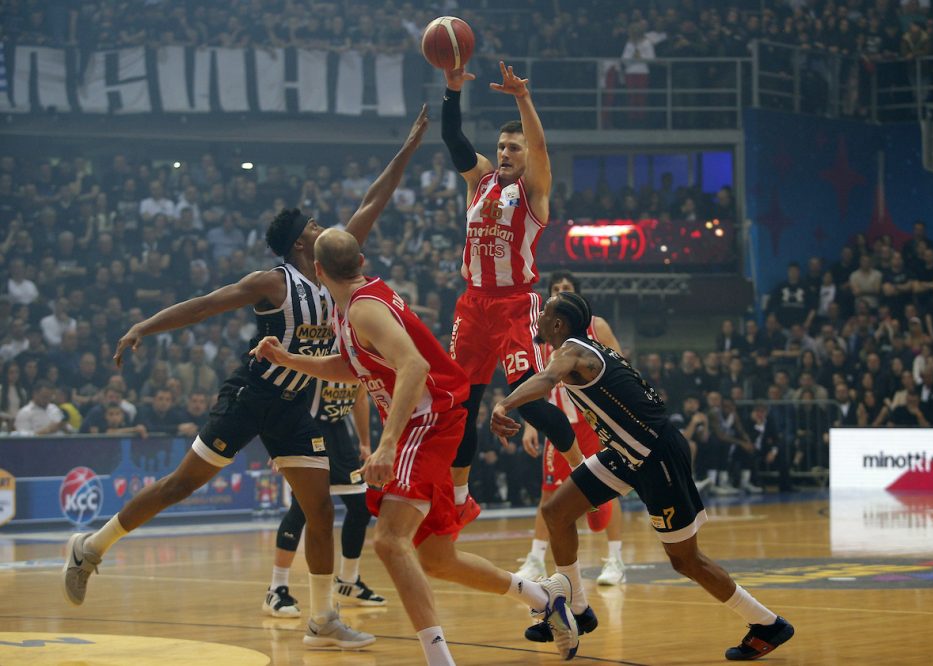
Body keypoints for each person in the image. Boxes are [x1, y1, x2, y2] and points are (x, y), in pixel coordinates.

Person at [61, 106, 430, 651]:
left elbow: (374, 199)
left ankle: (322, 620)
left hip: (295, 406)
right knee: (180, 485)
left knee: (320, 509)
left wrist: (410, 144)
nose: (323, 226)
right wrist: (144, 326)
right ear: (301, 242)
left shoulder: (335, 265)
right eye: (312, 224)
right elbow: (204, 305)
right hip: (250, 396)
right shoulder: (272, 282)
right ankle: (91, 546)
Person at [253, 229, 580, 664]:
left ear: (317, 270)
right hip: (428, 422)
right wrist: (289, 359)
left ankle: (439, 660)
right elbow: (355, 367)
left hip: (428, 421)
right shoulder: (351, 307)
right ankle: (544, 597)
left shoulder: (365, 308)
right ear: (361, 261)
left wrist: (387, 445)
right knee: (437, 558)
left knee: (389, 541)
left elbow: (414, 365)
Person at [491, 291, 795, 662]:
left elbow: (547, 379)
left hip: (656, 455)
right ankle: (580, 610)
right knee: (556, 512)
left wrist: (504, 403)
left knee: (686, 560)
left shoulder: (571, 352)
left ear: (558, 323)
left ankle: (767, 624)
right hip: (624, 453)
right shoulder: (588, 348)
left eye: (544, 313)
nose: (537, 318)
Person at [440, 60, 577, 524]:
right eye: (501, 146)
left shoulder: (534, 189)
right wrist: (452, 89)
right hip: (473, 303)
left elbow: (540, 146)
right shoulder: (479, 180)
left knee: (529, 400)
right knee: (461, 404)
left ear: (525, 155)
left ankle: (586, 471)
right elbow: (453, 139)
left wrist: (523, 98)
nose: (504, 152)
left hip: (516, 303)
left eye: (513, 147)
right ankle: (461, 500)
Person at [516, 271, 628, 601]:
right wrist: (531, 423)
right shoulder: (541, 332)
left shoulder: (597, 326)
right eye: (556, 289)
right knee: (549, 493)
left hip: (593, 422)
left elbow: (619, 368)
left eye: (567, 288)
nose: (562, 292)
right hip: (560, 422)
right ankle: (536, 558)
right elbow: (536, 380)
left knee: (606, 489)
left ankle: (616, 560)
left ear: (577, 294)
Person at [262, 374, 386, 617]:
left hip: (338, 433)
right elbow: (285, 397)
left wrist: (364, 443)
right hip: (306, 430)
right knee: (302, 508)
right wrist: (279, 442)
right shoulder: (317, 358)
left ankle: (348, 581)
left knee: (360, 506)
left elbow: (360, 399)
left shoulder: (359, 359)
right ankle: (276, 589)